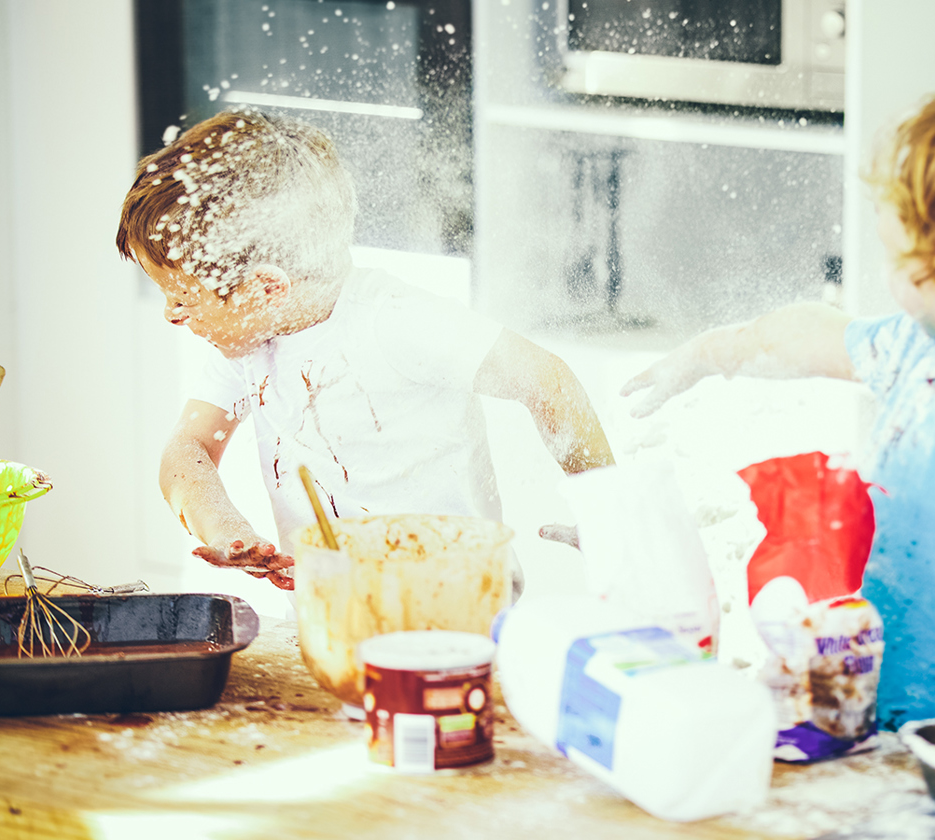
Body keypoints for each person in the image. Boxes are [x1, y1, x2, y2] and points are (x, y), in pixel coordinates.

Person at [622, 83, 935, 727]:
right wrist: (710, 353)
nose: (888, 261)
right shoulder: (927, 344)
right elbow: (813, 336)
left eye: (898, 251)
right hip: (894, 703)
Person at [116, 111, 614, 591]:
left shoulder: (395, 320)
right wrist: (225, 529)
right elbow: (187, 450)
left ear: (266, 287)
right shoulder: (248, 342)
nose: (171, 314)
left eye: (182, 296)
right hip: (333, 610)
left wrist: (606, 512)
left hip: (457, 604)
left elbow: (546, 380)